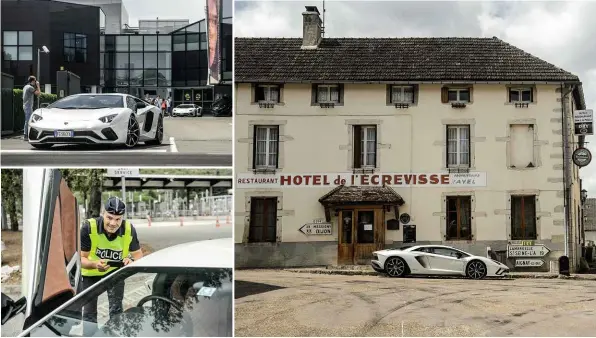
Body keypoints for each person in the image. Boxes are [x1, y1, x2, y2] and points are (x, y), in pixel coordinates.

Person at [80, 197, 143, 330]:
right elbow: (81, 259)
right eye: (109, 218)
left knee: (116, 310)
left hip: (115, 273)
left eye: (117, 219)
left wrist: (131, 261)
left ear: (122, 218)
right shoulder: (89, 227)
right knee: (89, 312)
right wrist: (94, 264)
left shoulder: (128, 229)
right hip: (91, 272)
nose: (113, 223)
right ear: (103, 214)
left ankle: (114, 334)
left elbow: (139, 257)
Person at [22, 76, 41, 141]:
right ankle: (26, 135)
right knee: (28, 120)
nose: (35, 82)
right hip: (28, 106)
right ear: (32, 81)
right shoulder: (30, 88)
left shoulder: (25, 86)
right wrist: (38, 85)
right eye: (35, 81)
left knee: (27, 120)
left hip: (25, 105)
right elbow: (38, 93)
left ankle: (26, 135)